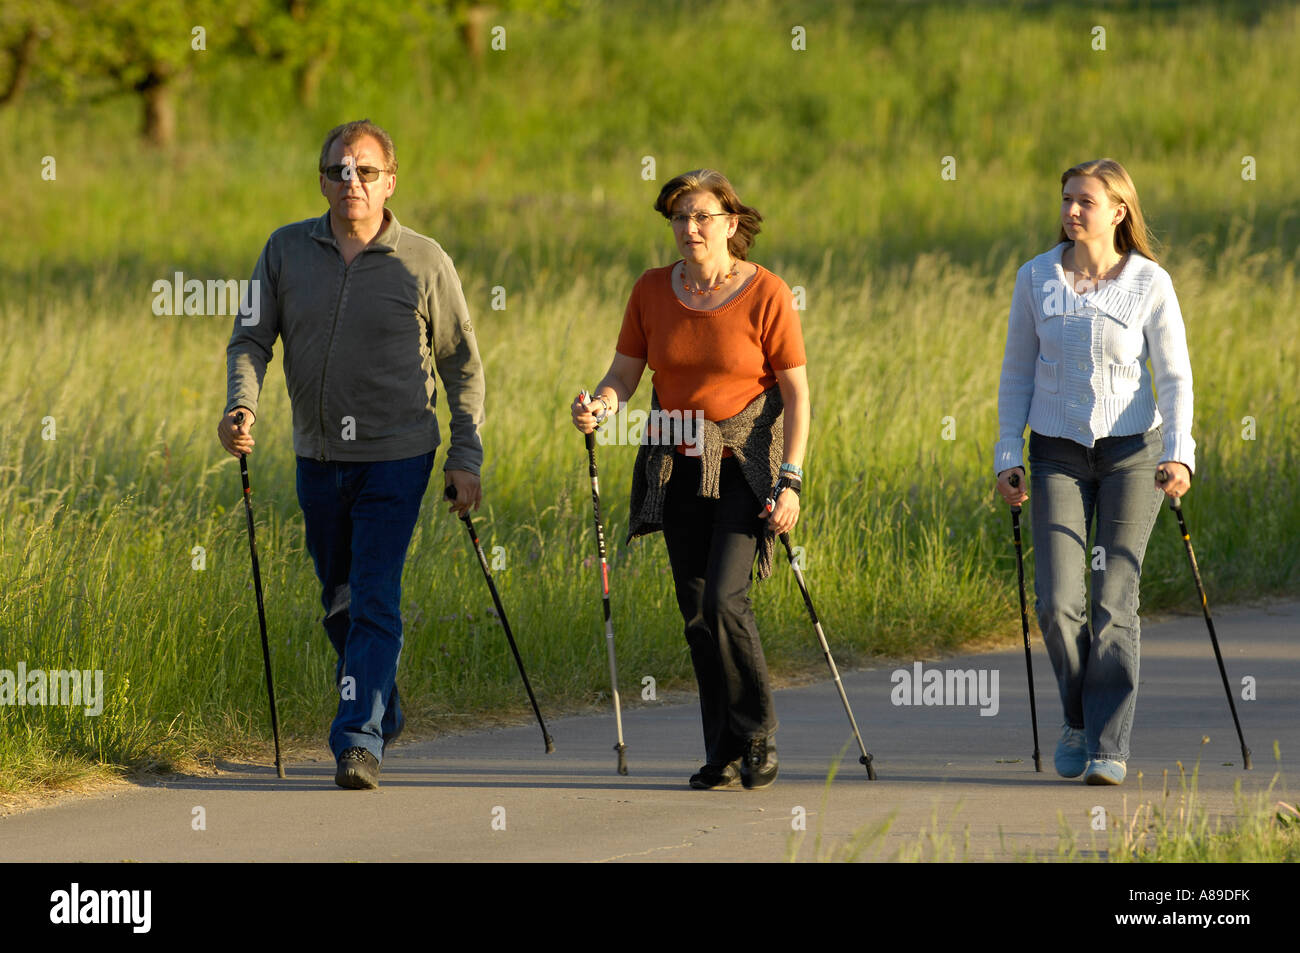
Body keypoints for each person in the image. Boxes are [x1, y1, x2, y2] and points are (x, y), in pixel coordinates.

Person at [217, 119, 486, 790]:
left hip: (398, 453)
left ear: (390, 181)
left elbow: (462, 364)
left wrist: (466, 453)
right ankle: (383, 702)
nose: (352, 182)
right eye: (339, 170)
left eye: (366, 171)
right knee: (338, 599)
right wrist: (240, 405)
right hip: (316, 453)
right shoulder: (284, 250)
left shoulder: (423, 261)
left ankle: (358, 740)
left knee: (372, 593)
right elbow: (250, 338)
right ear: (322, 181)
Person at [571, 169, 809, 790]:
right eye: (679, 217)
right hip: (674, 459)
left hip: (746, 463)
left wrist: (792, 479)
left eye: (702, 216)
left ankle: (758, 733)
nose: (689, 228)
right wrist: (599, 405)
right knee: (696, 614)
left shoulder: (767, 293)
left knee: (724, 599)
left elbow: (797, 393)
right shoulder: (652, 290)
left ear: (731, 224)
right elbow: (624, 375)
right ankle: (723, 750)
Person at [994, 158, 1195, 786]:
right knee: (1057, 603)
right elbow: (1016, 374)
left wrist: (1180, 451)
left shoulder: (1149, 283)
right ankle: (1077, 719)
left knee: (1114, 599)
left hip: (1134, 453)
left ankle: (1109, 744)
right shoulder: (1035, 279)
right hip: (1055, 452)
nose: (1072, 211)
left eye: (1086, 200)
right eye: (1066, 200)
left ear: (1119, 211)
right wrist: (1008, 454)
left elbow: (1175, 377)